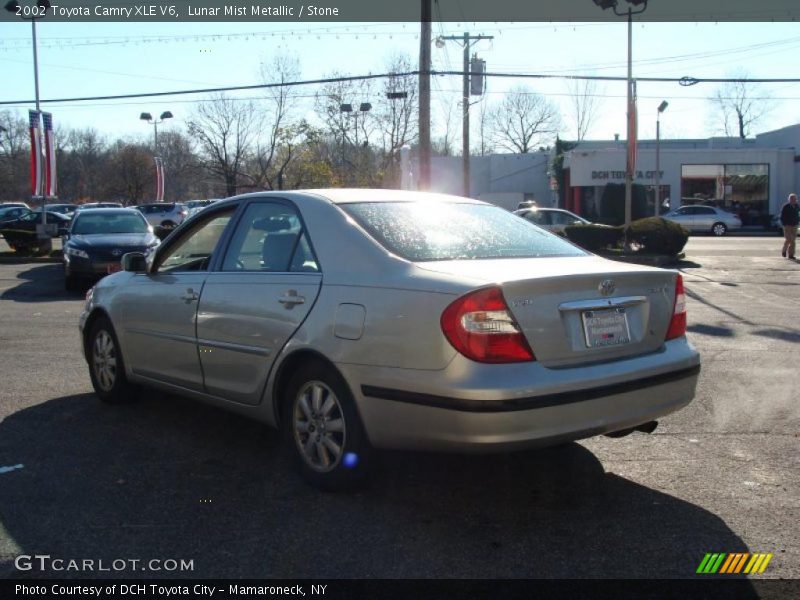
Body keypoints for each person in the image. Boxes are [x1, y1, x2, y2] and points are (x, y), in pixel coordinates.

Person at [780, 192, 799, 259]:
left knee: (792, 240)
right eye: (791, 198)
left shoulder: (797, 206)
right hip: (787, 226)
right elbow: (782, 216)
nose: (793, 200)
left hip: (795, 225)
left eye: (794, 198)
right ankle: (784, 251)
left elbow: (798, 214)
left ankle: (790, 255)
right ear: (789, 199)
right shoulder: (786, 206)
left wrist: (798, 221)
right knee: (789, 239)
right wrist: (784, 224)